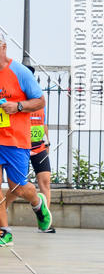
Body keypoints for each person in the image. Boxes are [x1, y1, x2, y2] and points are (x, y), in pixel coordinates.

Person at [0, 34, 52, 246]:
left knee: (18, 188)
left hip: (16, 140)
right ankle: (5, 231)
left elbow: (40, 101)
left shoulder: (19, 72)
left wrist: (18, 107)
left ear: (3, 47)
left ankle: (37, 203)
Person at [27, 66, 55, 233]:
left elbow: (43, 121)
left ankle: (44, 222)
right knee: (18, 187)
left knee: (45, 181)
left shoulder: (39, 99)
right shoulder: (17, 99)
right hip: (20, 147)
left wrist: (47, 142)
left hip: (39, 146)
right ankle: (4, 211)